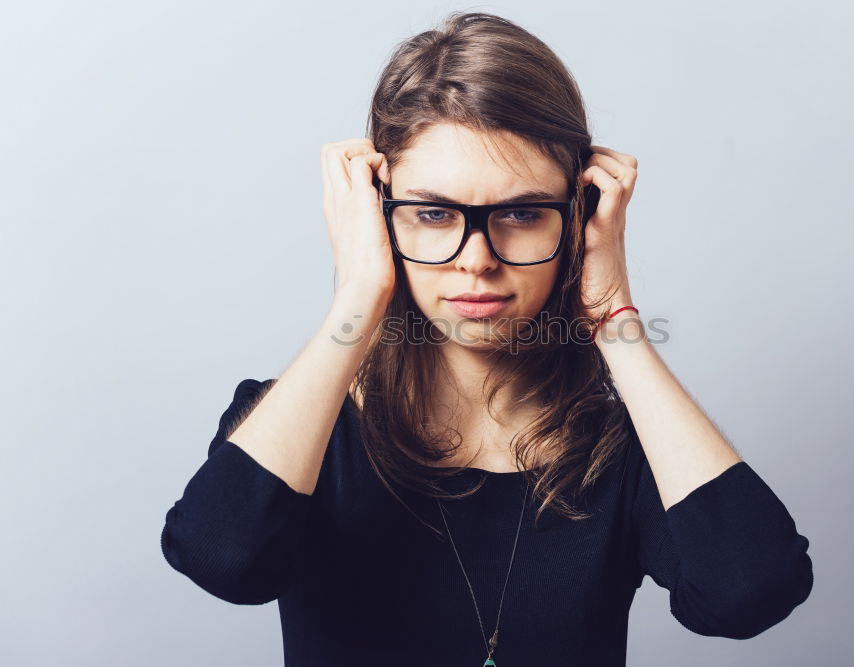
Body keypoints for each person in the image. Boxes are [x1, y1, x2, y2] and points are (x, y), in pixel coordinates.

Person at [160, 11, 813, 667]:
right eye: (434, 212)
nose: (477, 258)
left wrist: (614, 313)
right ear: (380, 217)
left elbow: (751, 590)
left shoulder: (627, 448)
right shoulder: (301, 426)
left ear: (579, 218)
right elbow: (225, 560)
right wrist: (357, 294)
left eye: (524, 213)